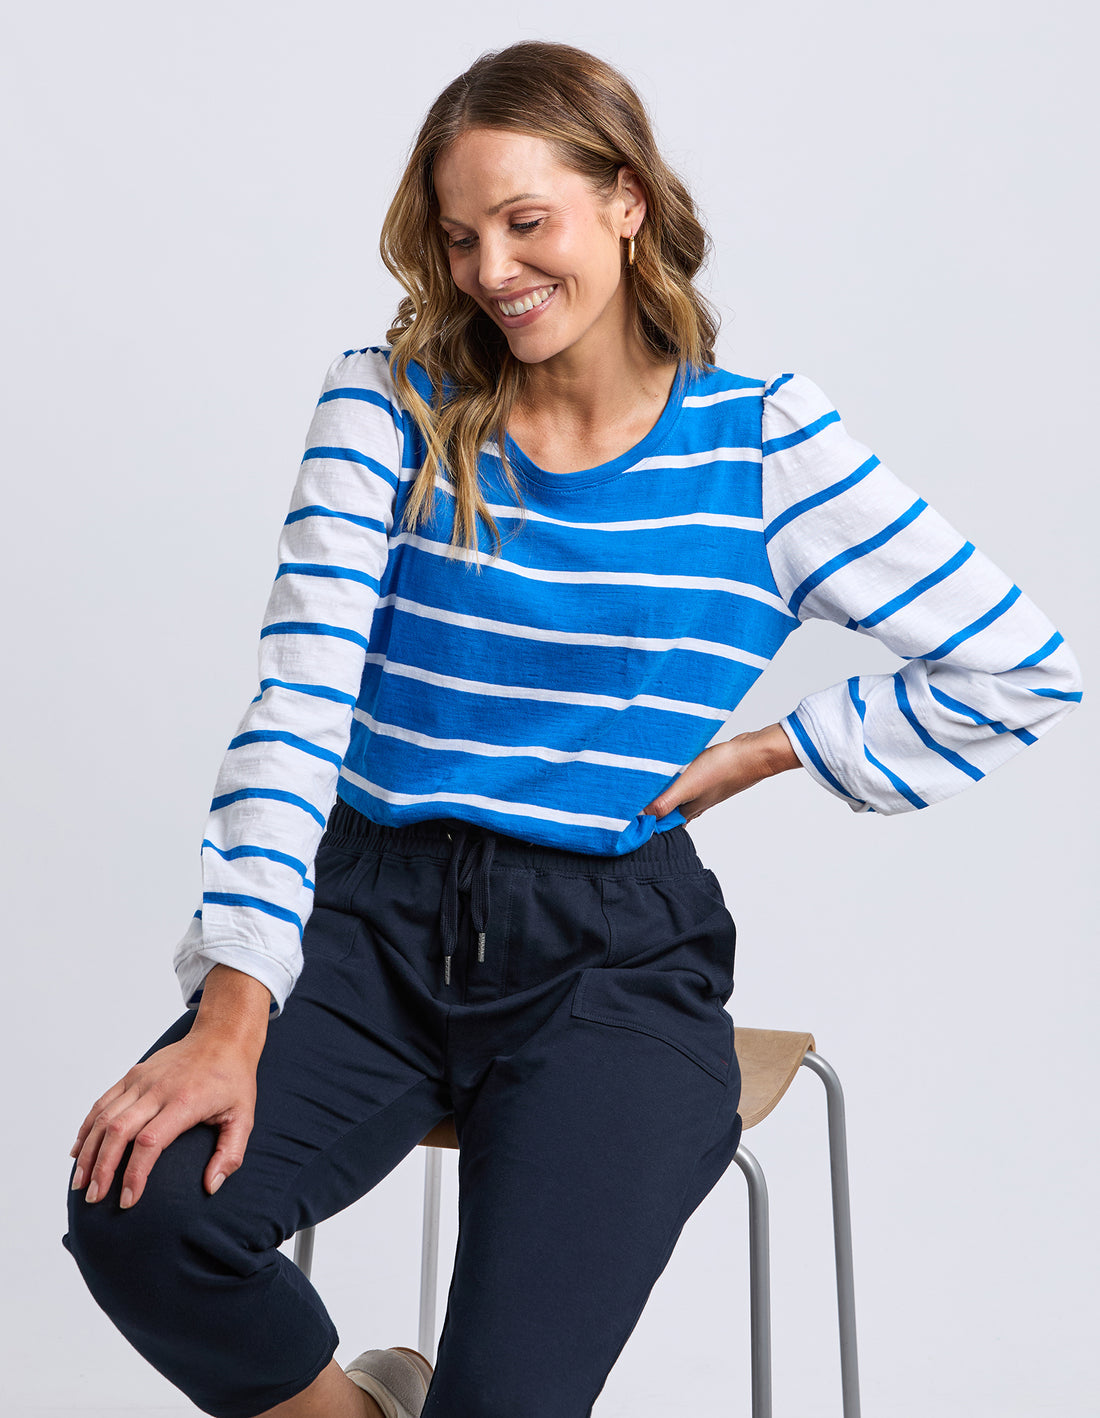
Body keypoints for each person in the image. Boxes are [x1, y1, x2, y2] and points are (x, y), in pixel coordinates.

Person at [63, 38, 1082, 1418]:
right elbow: (298, 704)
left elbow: (1021, 666)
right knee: (141, 1211)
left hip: (612, 955)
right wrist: (232, 1015)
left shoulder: (765, 448)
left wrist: (769, 750)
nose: (491, 269)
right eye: (459, 235)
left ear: (626, 203)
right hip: (363, 921)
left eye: (525, 221)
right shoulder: (387, 407)